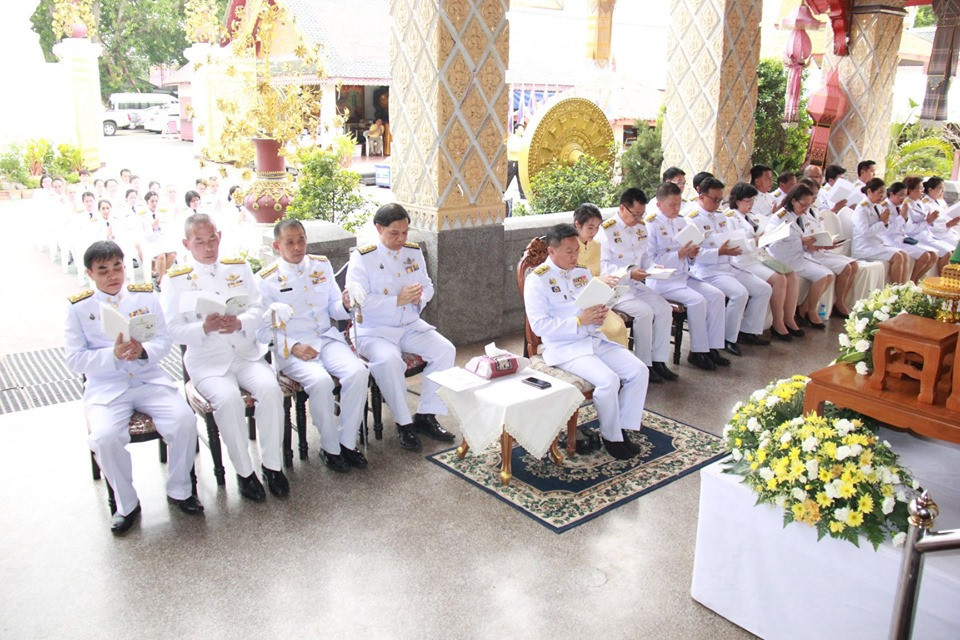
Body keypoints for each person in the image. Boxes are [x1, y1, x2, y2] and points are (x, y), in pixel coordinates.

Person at [65, 241, 202, 534]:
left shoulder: (146, 296)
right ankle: (126, 504)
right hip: (107, 387)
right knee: (105, 437)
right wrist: (111, 355)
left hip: (148, 379)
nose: (113, 275)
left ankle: (179, 489)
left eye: (117, 267)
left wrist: (142, 351)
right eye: (103, 270)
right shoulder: (78, 307)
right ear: (90, 273)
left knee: (184, 421)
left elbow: (163, 340)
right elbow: (74, 359)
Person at [160, 213, 289, 501]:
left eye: (213, 239)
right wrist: (203, 327)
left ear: (220, 236)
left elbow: (258, 307)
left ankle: (272, 466)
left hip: (245, 353)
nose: (208, 247)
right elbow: (172, 330)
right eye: (200, 242)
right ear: (186, 243)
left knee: (270, 390)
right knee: (229, 401)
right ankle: (245, 473)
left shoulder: (239, 268)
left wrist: (240, 322)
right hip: (208, 363)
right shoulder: (176, 281)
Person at [524, 223, 649, 460]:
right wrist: (579, 322)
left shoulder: (581, 273)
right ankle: (612, 438)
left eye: (576, 250)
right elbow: (540, 327)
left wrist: (601, 310)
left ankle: (622, 428)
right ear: (552, 252)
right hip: (565, 348)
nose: (575, 256)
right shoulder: (538, 280)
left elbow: (591, 305)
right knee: (608, 381)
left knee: (638, 371)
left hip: (593, 339)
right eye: (569, 251)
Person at [258, 219, 370, 472]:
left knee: (359, 372)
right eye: (290, 242)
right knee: (320, 382)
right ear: (278, 246)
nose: (298, 246)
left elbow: (334, 309)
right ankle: (330, 449)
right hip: (293, 348)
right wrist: (293, 345)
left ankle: (347, 442)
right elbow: (263, 331)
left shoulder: (321, 265)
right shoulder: (266, 279)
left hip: (327, 338)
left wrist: (344, 303)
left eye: (301, 240)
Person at [346, 203, 456, 451]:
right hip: (374, 330)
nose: (400, 239)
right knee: (389, 361)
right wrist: (396, 299)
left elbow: (427, 285)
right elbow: (357, 302)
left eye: (405, 232)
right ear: (379, 228)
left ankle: (426, 414)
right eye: (394, 233)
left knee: (445, 350)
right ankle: (404, 423)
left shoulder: (412, 252)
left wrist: (419, 297)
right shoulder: (363, 258)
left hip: (408, 324)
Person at [590, 193, 678, 382]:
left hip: (635, 283)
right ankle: (644, 364)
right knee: (645, 312)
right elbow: (603, 267)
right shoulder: (606, 231)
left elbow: (644, 256)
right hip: (615, 288)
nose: (639, 219)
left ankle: (659, 361)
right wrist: (630, 272)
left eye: (641, 214)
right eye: (635, 214)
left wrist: (653, 268)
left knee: (664, 308)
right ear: (622, 208)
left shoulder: (640, 228)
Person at [645, 182, 728, 371]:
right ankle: (697, 352)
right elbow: (649, 261)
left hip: (684, 275)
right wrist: (679, 255)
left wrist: (691, 255)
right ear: (659, 204)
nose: (676, 209)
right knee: (698, 301)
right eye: (672, 205)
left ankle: (712, 348)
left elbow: (689, 257)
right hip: (663, 281)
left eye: (679, 204)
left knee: (716, 295)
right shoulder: (651, 225)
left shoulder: (681, 221)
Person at [685, 177, 772, 354]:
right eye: (714, 199)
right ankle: (727, 338)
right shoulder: (692, 220)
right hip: (708, 270)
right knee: (739, 293)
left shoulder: (721, 216)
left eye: (720, 199)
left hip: (729, 265)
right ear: (701, 197)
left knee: (763, 289)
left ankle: (748, 330)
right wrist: (719, 252)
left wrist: (741, 246)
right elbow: (694, 254)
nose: (718, 204)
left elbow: (730, 239)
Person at [726, 182, 799, 340]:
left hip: (759, 257)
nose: (751, 204)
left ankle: (788, 318)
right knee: (778, 279)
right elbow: (736, 245)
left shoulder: (753, 217)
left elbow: (761, 233)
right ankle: (777, 323)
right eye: (747, 201)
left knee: (790, 274)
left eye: (753, 201)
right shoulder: (730, 218)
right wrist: (757, 241)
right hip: (742, 261)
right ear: (737, 200)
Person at [764, 184, 834, 331]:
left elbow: (803, 238)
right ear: (794, 200)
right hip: (783, 259)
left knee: (829, 275)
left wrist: (812, 245)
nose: (805, 209)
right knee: (822, 276)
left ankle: (806, 308)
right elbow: (773, 247)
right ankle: (807, 312)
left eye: (808, 205)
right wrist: (800, 242)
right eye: (803, 205)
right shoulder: (779, 217)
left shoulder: (800, 217)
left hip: (799, 256)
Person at [797, 177, 858, 316]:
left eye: (816, 195)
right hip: (810, 253)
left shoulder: (815, 210)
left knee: (853, 265)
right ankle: (807, 307)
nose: (814, 198)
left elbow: (819, 232)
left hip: (820, 249)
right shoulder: (800, 213)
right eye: (812, 195)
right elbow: (801, 238)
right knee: (846, 268)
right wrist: (818, 244)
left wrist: (829, 242)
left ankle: (839, 301)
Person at [573, 204, 630, 348]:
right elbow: (571, 279)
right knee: (604, 330)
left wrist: (608, 281)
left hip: (596, 299)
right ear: (577, 225)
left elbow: (598, 273)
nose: (594, 232)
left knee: (618, 327)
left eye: (597, 227)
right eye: (590, 227)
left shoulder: (596, 245)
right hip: (576, 300)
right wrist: (599, 280)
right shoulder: (569, 247)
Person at [851, 178, 910, 284]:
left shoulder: (876, 206)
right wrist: (883, 222)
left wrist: (885, 223)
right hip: (864, 247)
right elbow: (865, 232)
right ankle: (895, 290)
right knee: (898, 257)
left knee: (904, 254)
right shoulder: (861, 209)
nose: (882, 196)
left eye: (883, 193)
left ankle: (903, 288)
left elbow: (884, 228)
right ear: (869, 191)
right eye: (879, 193)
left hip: (876, 244)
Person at [883, 181, 938, 281]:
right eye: (901, 195)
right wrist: (901, 217)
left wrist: (904, 216)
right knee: (925, 255)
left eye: (904, 195)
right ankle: (911, 281)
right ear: (891, 194)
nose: (903, 199)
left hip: (902, 238)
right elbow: (887, 230)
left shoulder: (901, 206)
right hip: (890, 240)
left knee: (934, 255)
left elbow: (907, 227)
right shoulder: (884, 207)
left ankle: (914, 281)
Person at [904, 176, 954, 273]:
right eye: (920, 188)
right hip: (915, 236)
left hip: (927, 235)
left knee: (944, 252)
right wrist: (928, 221)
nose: (923, 190)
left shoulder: (919, 203)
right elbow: (909, 229)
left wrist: (929, 221)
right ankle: (915, 280)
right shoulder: (906, 205)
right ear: (910, 190)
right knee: (946, 252)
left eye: (923, 187)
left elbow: (930, 223)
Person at [923, 176, 960, 246]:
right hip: (936, 235)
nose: (943, 192)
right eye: (940, 189)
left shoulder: (941, 202)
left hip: (949, 233)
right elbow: (927, 226)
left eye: (943, 189)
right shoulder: (925, 204)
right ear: (930, 190)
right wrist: (947, 225)